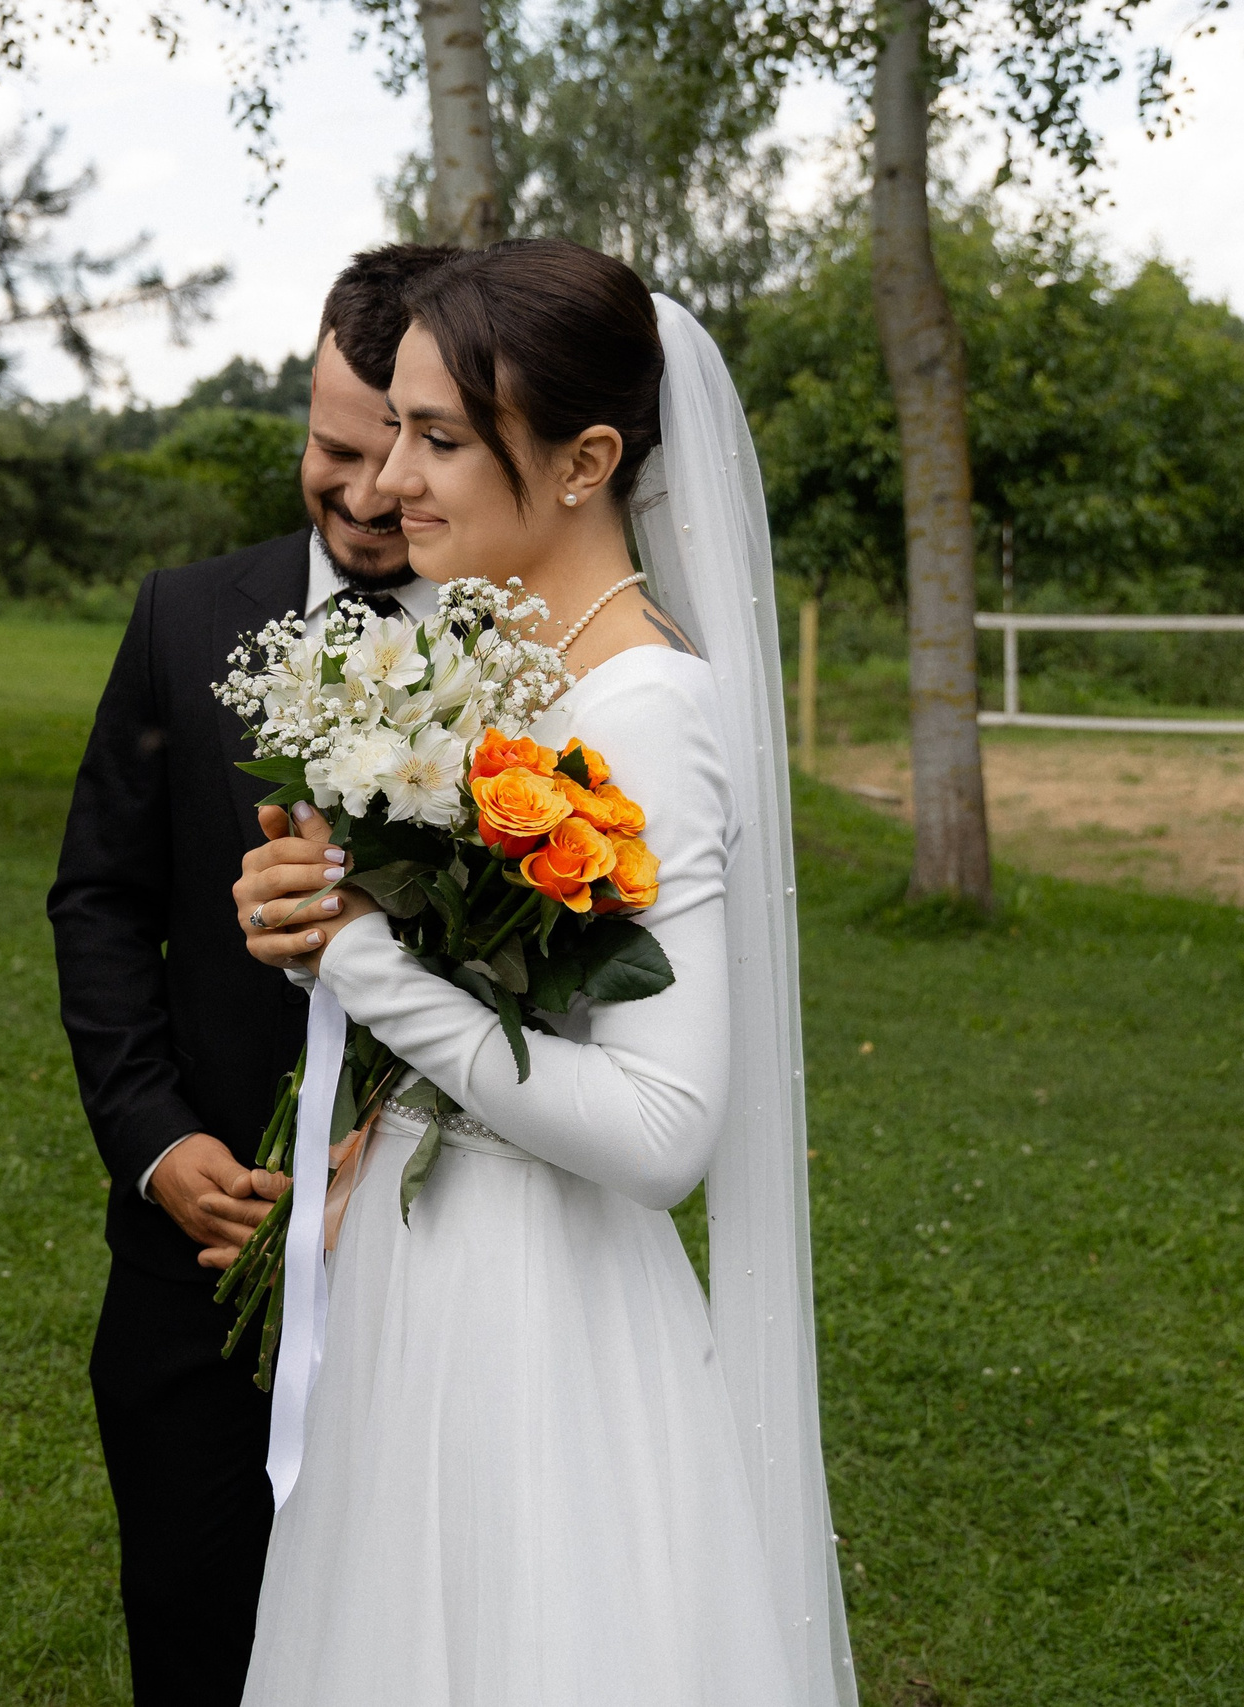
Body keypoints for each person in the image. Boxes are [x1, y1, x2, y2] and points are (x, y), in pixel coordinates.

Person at [229, 239, 854, 1704]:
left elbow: (662, 1132)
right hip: (420, 1266)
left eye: (439, 437)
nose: (388, 482)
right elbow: (500, 989)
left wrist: (367, 964)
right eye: (394, 430)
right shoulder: (504, 661)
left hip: (537, 1321)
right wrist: (329, 908)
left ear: (584, 460)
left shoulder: (645, 707)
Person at [45, 242, 455, 1707]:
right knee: (197, 1636)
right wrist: (158, 1139)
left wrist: (410, 1128)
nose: (359, 495)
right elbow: (97, 900)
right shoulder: (182, 617)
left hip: (435, 1257)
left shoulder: (528, 658)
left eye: (396, 460)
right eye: (331, 449)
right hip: (195, 1273)